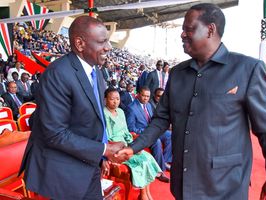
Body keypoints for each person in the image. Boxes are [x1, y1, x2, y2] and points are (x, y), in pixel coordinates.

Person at [116, 3, 266, 200]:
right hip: (184, 183)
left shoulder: (247, 69)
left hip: (225, 185)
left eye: (188, 28)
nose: (182, 34)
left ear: (210, 30)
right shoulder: (178, 73)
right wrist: (134, 147)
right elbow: (160, 120)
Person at [19, 16, 125, 200]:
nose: (108, 47)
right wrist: (103, 149)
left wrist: (101, 156)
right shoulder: (57, 74)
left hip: (89, 163)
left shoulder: (96, 72)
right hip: (64, 172)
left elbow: (96, 117)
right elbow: (55, 134)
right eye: (102, 42)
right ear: (80, 44)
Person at [104, 88, 161, 200]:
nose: (115, 102)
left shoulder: (120, 111)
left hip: (126, 144)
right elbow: (108, 137)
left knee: (147, 157)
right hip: (115, 148)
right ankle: (144, 196)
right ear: (105, 99)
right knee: (141, 162)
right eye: (112, 99)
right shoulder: (104, 113)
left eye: (118, 99)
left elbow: (126, 131)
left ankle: (146, 194)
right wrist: (126, 146)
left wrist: (133, 144)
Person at [126, 86, 172, 183]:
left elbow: (153, 120)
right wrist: (147, 132)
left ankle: (165, 161)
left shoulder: (149, 105)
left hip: (153, 130)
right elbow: (131, 128)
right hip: (144, 134)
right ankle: (159, 171)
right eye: (143, 96)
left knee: (169, 135)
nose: (146, 98)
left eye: (148, 96)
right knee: (156, 141)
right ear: (137, 94)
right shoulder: (131, 108)